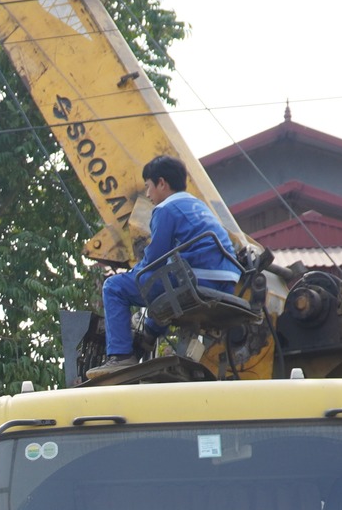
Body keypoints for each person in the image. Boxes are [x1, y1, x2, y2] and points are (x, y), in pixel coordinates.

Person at [91, 155, 241, 377]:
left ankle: (121, 356)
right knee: (166, 288)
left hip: (197, 279)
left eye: (148, 187)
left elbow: (154, 258)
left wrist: (132, 274)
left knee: (115, 287)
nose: (148, 194)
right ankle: (149, 335)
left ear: (162, 183)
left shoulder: (166, 209)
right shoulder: (197, 205)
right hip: (226, 282)